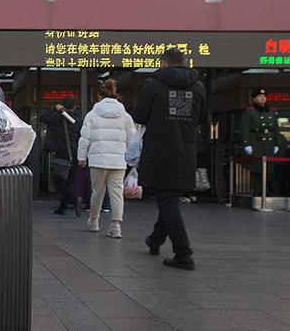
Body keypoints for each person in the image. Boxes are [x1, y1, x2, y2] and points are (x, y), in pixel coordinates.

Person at [133, 48, 206, 270]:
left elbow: (139, 116)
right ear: (184, 62)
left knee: (167, 200)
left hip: (159, 150)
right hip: (185, 150)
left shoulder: (153, 84)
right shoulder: (199, 86)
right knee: (170, 197)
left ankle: (184, 253)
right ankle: (155, 240)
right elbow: (202, 118)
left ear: (163, 63)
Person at [77, 79, 135, 239]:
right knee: (116, 193)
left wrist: (81, 157)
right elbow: (132, 139)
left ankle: (94, 221)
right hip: (118, 161)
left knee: (97, 192)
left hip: (98, 160)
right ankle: (116, 226)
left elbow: (85, 138)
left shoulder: (92, 114)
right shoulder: (125, 115)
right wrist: (134, 158)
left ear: (99, 96)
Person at [237, 88, 287, 195]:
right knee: (257, 168)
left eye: (264, 96)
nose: (262, 98)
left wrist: (276, 144)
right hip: (256, 141)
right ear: (254, 99)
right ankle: (258, 190)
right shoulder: (250, 112)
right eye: (259, 96)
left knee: (269, 168)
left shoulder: (271, 111)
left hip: (269, 142)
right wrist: (247, 144)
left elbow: (276, 129)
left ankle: (265, 189)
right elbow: (244, 128)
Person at [40, 97, 81, 214]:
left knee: (58, 181)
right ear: (74, 106)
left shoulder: (56, 118)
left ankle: (74, 200)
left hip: (60, 153)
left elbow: (42, 118)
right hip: (75, 153)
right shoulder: (78, 120)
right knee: (67, 182)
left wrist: (55, 109)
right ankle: (62, 207)